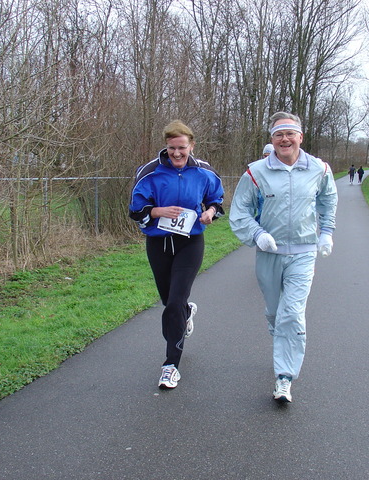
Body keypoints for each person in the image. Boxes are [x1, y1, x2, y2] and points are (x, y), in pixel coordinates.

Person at [229, 112, 338, 403]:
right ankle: (282, 343)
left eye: (290, 133)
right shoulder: (256, 172)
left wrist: (326, 232)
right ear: (272, 140)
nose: (285, 139)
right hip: (269, 253)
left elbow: (328, 200)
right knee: (276, 314)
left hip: (303, 253)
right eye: (279, 134)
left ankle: (284, 377)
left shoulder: (319, 169)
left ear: (300, 137)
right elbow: (239, 212)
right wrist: (257, 235)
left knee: (292, 314)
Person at [129, 120, 224, 390]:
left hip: (190, 242)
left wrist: (209, 213)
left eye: (182, 148)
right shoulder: (150, 172)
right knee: (168, 301)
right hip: (158, 244)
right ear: (166, 146)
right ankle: (186, 311)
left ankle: (170, 365)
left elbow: (217, 200)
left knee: (174, 304)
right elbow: (135, 210)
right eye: (172, 148)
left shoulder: (203, 171)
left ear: (191, 146)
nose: (177, 154)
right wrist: (158, 211)